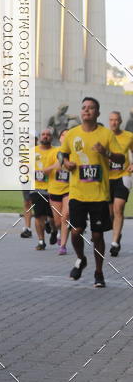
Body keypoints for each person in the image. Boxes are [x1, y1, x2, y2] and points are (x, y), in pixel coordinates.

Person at [59, 97, 124, 288]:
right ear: (81, 112)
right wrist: (65, 162)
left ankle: (99, 272)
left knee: (97, 236)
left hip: (99, 194)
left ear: (97, 112)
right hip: (78, 193)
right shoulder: (72, 134)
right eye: (84, 108)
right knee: (76, 232)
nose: (87, 111)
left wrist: (107, 153)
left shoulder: (106, 134)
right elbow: (61, 153)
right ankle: (81, 258)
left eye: (91, 108)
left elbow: (120, 160)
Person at [107, 111, 133, 258]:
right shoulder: (104, 135)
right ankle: (118, 233)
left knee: (119, 209)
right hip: (107, 178)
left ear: (120, 121)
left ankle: (115, 242)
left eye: (116, 120)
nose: (114, 123)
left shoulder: (129, 136)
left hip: (123, 177)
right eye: (111, 120)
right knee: (110, 214)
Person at [32, 128, 58, 250]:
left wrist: (46, 171)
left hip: (52, 189)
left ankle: (53, 230)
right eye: (43, 134)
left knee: (53, 218)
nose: (45, 136)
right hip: (36, 188)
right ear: (40, 137)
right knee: (38, 216)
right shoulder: (32, 152)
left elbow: (58, 165)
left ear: (52, 138)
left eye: (48, 135)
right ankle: (41, 241)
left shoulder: (56, 151)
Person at [47, 129, 70, 255]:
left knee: (65, 216)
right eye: (63, 135)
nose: (65, 137)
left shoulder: (75, 153)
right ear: (59, 138)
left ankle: (63, 246)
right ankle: (57, 232)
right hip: (55, 189)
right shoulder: (53, 152)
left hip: (70, 189)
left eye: (68, 135)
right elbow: (46, 168)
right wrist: (50, 167)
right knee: (57, 221)